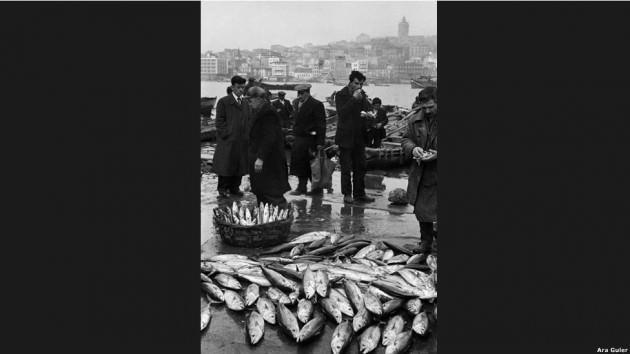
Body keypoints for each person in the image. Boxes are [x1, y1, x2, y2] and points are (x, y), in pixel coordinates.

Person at [401, 87, 438, 256]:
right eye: (424, 108)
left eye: (431, 106)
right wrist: (413, 148)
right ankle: (426, 242)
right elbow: (406, 139)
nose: (428, 111)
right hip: (422, 172)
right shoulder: (414, 120)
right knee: (422, 209)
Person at [334, 70, 375, 204]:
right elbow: (342, 113)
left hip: (359, 136)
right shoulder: (341, 94)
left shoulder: (362, 95)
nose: (359, 87)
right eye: (356, 83)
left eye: (361, 84)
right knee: (346, 168)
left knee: (360, 166)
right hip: (345, 137)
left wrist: (369, 114)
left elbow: (368, 109)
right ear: (350, 82)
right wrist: (353, 99)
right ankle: (347, 194)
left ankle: (360, 193)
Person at [246, 86, 291, 207]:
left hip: (268, 160)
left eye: (250, 100)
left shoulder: (268, 112)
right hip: (262, 157)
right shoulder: (261, 110)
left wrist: (260, 158)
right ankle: (267, 216)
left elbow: (269, 137)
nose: (249, 103)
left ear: (258, 99)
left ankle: (282, 215)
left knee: (271, 192)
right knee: (261, 190)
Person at [213, 75, 250, 198]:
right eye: (239, 87)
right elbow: (219, 121)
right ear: (232, 87)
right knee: (225, 165)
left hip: (241, 140)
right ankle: (222, 189)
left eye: (243, 87)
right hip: (228, 140)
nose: (241, 90)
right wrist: (226, 134)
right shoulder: (224, 102)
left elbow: (248, 120)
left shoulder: (245, 102)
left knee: (239, 165)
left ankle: (235, 188)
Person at [289, 83, 326, 196]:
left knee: (312, 165)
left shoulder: (316, 104)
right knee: (300, 164)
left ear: (307, 93)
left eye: (302, 93)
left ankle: (317, 188)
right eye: (298, 93)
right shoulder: (297, 104)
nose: (299, 96)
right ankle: (301, 187)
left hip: (310, 139)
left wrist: (320, 142)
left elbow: (321, 124)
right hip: (299, 139)